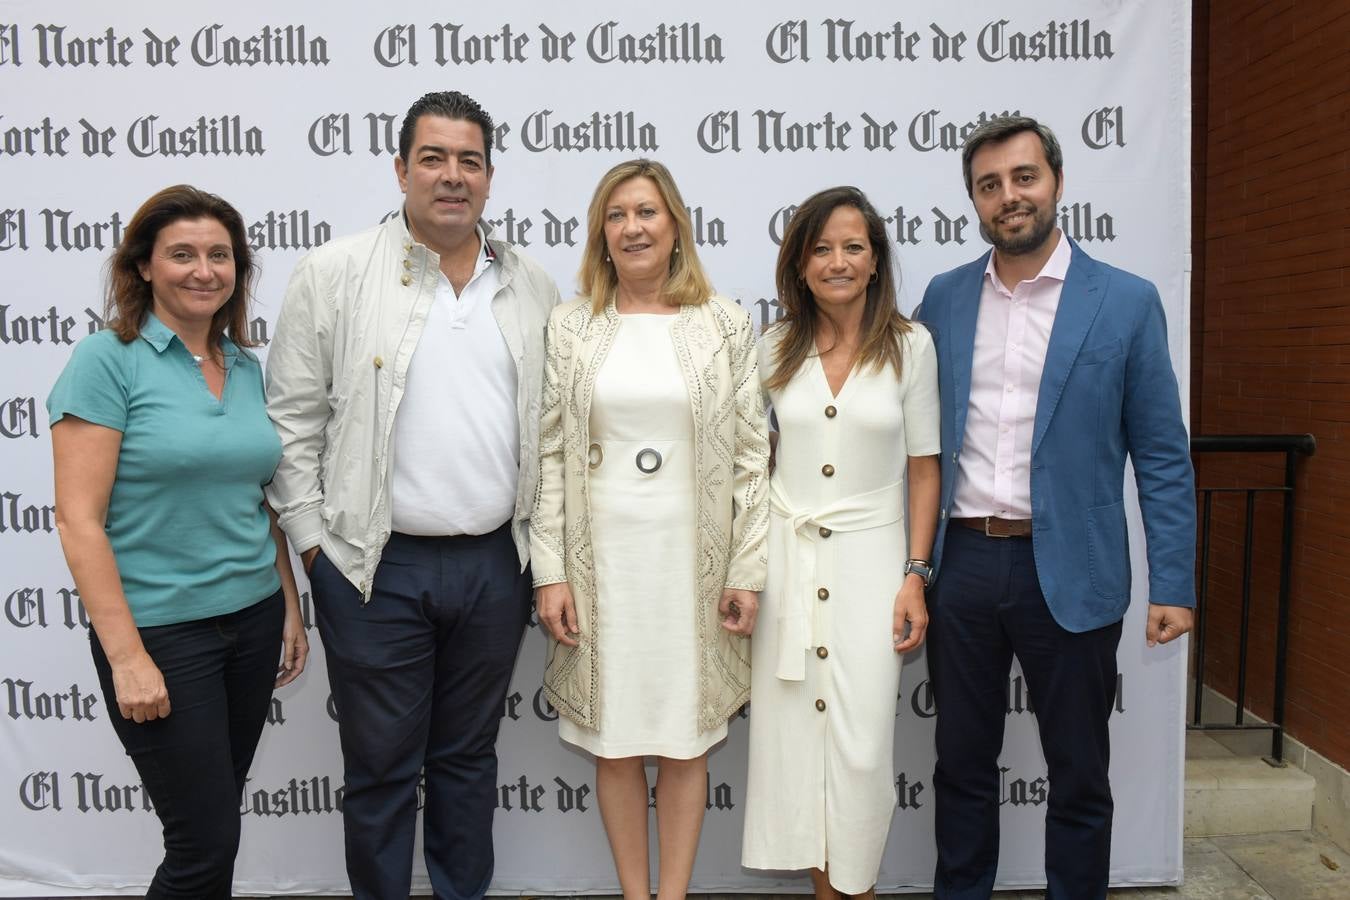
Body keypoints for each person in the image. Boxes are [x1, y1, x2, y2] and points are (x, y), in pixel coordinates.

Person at [264, 91, 560, 899]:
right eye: (433, 158)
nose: (451, 177)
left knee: (468, 763)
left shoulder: (531, 284)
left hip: (497, 569)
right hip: (372, 569)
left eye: (469, 161)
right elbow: (290, 423)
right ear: (401, 169)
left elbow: (553, 429)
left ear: (491, 177)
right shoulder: (333, 273)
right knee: (382, 771)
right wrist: (315, 547)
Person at [916, 115, 1196, 900]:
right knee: (962, 767)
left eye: (1024, 177)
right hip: (964, 565)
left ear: (1058, 183)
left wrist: (1173, 582)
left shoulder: (1127, 302)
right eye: (990, 185)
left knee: (1079, 773)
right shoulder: (943, 298)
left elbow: (1164, 455)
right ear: (973, 200)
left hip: (1071, 569)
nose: (1010, 197)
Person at [47, 184, 308, 899]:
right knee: (202, 841)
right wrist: (127, 657)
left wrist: (287, 605)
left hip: (251, 624)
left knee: (216, 822)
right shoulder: (108, 361)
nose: (204, 271)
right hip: (161, 634)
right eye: (183, 254)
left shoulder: (247, 367)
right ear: (143, 268)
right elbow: (78, 520)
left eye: (219, 255)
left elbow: (258, 499)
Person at [531, 158, 769, 900]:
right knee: (616, 740)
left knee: (686, 738)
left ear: (675, 227)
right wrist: (551, 571)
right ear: (601, 233)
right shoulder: (572, 326)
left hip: (690, 564)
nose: (632, 227)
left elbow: (752, 461)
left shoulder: (724, 323)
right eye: (617, 214)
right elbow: (547, 453)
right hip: (601, 564)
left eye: (647, 212)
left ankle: (674, 897)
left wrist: (745, 571)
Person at [740, 187, 941, 898]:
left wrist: (915, 574)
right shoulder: (772, 348)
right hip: (789, 571)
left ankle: (856, 890)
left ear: (876, 260)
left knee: (859, 751)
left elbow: (924, 469)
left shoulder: (911, 347)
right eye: (821, 248)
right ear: (798, 265)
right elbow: (751, 462)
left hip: (872, 571)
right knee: (797, 748)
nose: (837, 261)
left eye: (853, 246)